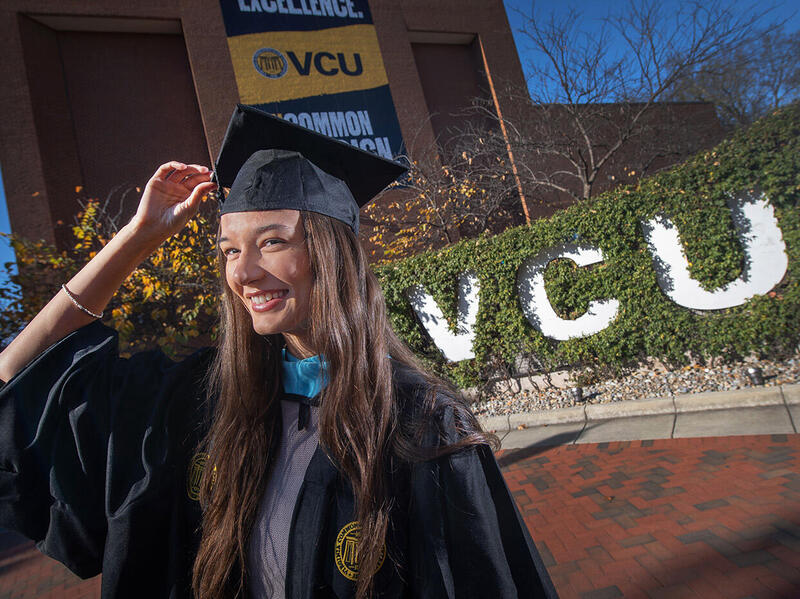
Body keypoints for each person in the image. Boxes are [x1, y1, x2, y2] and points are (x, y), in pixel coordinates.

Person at [0, 105, 557, 599]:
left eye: (272, 241)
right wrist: (138, 237)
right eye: (228, 250)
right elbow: (21, 379)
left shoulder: (423, 424)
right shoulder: (197, 398)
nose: (242, 272)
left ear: (329, 254)